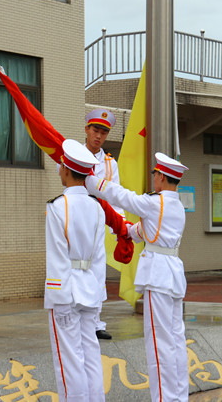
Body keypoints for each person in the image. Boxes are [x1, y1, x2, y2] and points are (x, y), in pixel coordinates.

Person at [86, 152, 189, 402]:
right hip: (173, 276)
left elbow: (123, 197)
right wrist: (122, 230)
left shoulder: (155, 203)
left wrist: (92, 181)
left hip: (159, 277)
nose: (153, 178)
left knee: (159, 345)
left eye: (155, 174)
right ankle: (178, 397)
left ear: (162, 177)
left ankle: (164, 399)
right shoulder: (176, 205)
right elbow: (144, 232)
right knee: (175, 340)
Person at [45, 139, 106, 402]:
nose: (59, 170)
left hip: (66, 291)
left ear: (67, 170)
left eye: (60, 166)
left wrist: (57, 298)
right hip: (90, 288)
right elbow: (99, 257)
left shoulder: (58, 207)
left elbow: (58, 257)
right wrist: (98, 292)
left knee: (69, 361)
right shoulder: (96, 206)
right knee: (91, 356)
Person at [84, 108, 123, 340]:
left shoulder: (110, 164)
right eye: (95, 130)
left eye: (103, 133)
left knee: (98, 272)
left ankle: (97, 321)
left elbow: (115, 195)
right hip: (78, 221)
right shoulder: (73, 155)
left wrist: (119, 226)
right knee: (79, 270)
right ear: (86, 129)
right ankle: (81, 317)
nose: (99, 136)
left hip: (99, 222)